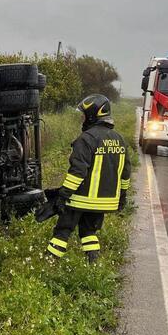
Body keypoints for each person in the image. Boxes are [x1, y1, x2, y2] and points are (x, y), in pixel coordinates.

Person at [38, 94, 131, 263]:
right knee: (88, 232)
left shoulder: (86, 139)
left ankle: (49, 264)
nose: (82, 119)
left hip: (80, 200)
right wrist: (122, 197)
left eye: (84, 115)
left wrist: (62, 196)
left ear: (92, 115)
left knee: (62, 231)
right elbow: (125, 173)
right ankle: (93, 263)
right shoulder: (119, 140)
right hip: (105, 201)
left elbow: (77, 172)